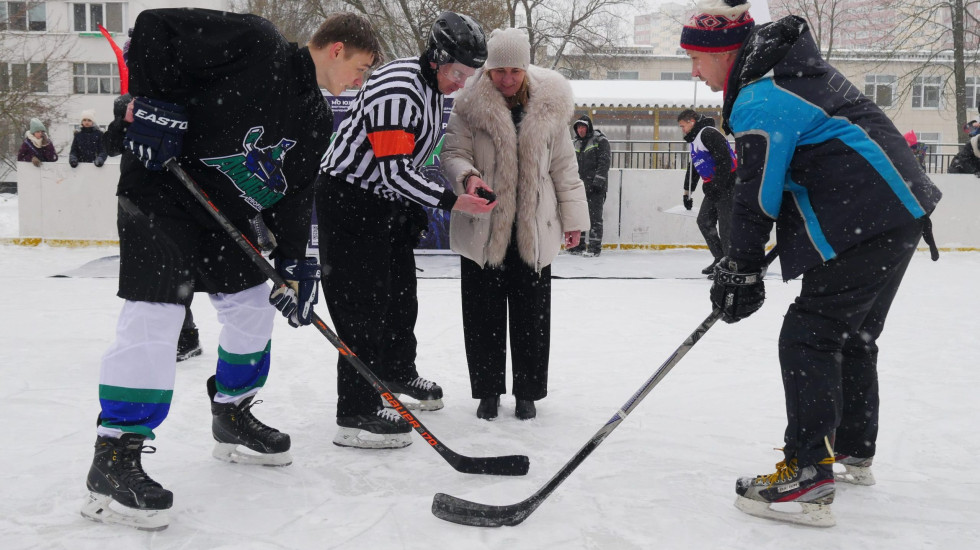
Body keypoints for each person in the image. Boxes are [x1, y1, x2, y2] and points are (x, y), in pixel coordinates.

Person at [82, 8, 381, 531]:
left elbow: (295, 192)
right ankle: (114, 453)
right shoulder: (256, 42)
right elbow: (154, 26)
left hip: (224, 216)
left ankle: (232, 413)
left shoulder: (315, 116)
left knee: (251, 308)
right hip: (162, 193)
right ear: (337, 49)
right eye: (361, 68)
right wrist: (155, 106)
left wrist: (293, 261)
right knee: (156, 316)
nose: (360, 81)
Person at [681, 0, 942, 527]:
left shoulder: (762, 95)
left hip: (868, 217)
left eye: (694, 58)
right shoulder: (792, 72)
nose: (693, 70)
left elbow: (756, 193)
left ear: (723, 52)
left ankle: (807, 476)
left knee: (809, 334)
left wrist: (741, 267)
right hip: (899, 211)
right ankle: (849, 448)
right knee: (850, 335)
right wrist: (745, 266)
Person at [318, 11, 496, 448]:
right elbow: (393, 171)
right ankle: (355, 410)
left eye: (469, 76)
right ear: (436, 59)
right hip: (350, 199)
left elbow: (409, 166)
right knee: (362, 304)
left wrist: (466, 180)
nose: (461, 83)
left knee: (399, 296)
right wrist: (453, 202)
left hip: (386, 202)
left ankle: (395, 373)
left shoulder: (435, 88)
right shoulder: (398, 90)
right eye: (458, 72)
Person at [442, 27, 589, 421]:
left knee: (532, 317)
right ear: (487, 69)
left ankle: (527, 393)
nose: (507, 79)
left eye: (515, 70)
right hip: (484, 227)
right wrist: (468, 176)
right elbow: (453, 152)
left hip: (534, 229)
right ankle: (487, 391)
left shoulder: (550, 108)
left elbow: (564, 168)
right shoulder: (468, 105)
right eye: (498, 70)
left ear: (526, 68)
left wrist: (574, 220)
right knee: (482, 315)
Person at [677, 109, 736, 276]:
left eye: (683, 126)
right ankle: (720, 258)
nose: (682, 130)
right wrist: (687, 193)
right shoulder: (695, 141)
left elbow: (724, 159)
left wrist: (717, 185)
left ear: (692, 121)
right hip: (714, 187)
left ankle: (729, 265)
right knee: (704, 220)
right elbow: (694, 168)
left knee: (726, 226)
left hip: (728, 185)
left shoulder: (708, 133)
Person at [568, 115, 609, 257]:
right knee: (578, 218)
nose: (580, 130)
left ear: (588, 127)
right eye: (578, 127)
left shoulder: (600, 141)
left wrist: (598, 182)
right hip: (579, 188)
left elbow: (604, 163)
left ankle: (594, 248)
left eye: (583, 127)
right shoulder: (575, 144)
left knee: (594, 218)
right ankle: (577, 247)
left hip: (596, 189)